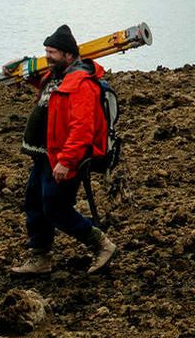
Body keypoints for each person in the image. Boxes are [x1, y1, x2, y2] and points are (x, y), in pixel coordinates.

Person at [10, 24, 118, 275]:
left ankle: (102, 245)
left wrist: (67, 161)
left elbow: (82, 128)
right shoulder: (56, 75)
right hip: (44, 154)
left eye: (52, 52)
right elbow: (48, 91)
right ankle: (40, 258)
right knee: (35, 202)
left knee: (56, 208)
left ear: (69, 55)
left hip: (64, 157)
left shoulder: (81, 84)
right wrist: (20, 70)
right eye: (46, 51)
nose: (47, 57)